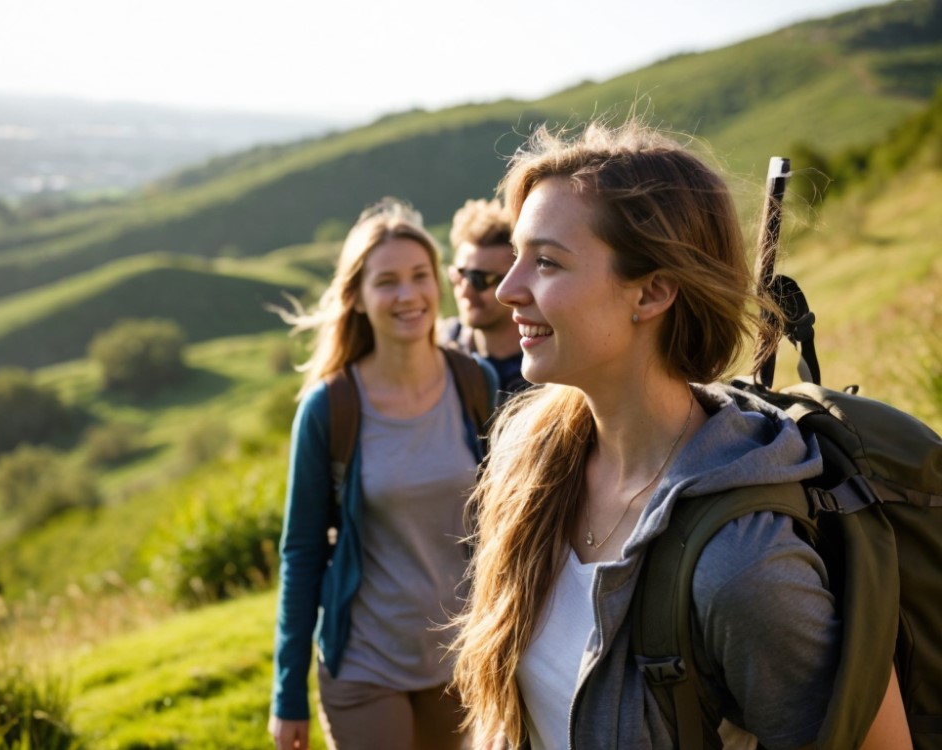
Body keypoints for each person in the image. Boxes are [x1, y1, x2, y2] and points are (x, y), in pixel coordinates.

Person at [450, 122, 912, 749]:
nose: (508, 291)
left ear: (653, 292)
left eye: (547, 263)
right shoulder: (529, 460)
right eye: (515, 259)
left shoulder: (742, 566)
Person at [269, 197, 497, 750]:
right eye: (387, 281)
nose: (407, 295)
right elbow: (301, 553)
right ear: (358, 298)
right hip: (367, 661)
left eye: (419, 276)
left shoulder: (477, 384)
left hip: (461, 659)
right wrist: (287, 694)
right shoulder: (330, 409)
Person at [442, 198, 528, 401]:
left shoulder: (550, 370)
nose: (465, 289)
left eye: (479, 279)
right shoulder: (440, 350)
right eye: (459, 275)